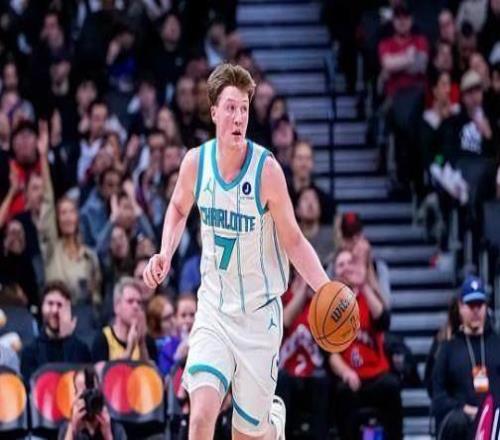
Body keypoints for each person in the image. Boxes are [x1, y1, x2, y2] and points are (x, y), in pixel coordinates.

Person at [143, 63, 332, 440]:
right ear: (214, 111)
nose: (239, 117)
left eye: (244, 109)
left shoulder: (267, 171)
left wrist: (326, 288)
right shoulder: (195, 163)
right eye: (231, 108)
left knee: (246, 434)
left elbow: (294, 239)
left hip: (259, 318)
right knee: (200, 417)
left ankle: (272, 423)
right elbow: (178, 207)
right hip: (214, 309)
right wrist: (164, 252)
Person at [329, 248, 402, 440]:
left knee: (392, 386)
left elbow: (383, 321)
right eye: (341, 265)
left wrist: (364, 286)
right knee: (340, 393)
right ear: (335, 272)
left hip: (377, 375)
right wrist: (346, 372)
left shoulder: (368, 296)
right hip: (351, 377)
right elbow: (330, 354)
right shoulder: (329, 305)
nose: (346, 268)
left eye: (349, 263)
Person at [432, 275, 500, 439]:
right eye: (470, 305)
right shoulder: (448, 348)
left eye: (479, 305)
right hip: (461, 421)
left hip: (496, 419)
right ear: (461, 307)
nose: (475, 310)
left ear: (486, 307)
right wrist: (465, 409)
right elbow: (438, 396)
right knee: (458, 422)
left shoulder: (497, 343)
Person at [21, 281, 91, 383]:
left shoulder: (82, 350)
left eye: (59, 305)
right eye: (50, 304)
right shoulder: (30, 352)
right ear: (42, 307)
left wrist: (67, 339)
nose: (54, 310)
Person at [91, 277, 157, 363]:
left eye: (139, 302)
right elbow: (103, 371)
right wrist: (129, 350)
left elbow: (151, 371)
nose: (136, 306)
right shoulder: (102, 339)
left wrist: (141, 344)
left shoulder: (147, 340)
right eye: (130, 301)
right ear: (117, 307)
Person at [58, 366, 127, 440]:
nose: (89, 400)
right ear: (76, 397)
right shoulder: (67, 429)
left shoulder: (116, 430)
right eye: (85, 395)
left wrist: (108, 435)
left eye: (93, 394)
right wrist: (72, 429)